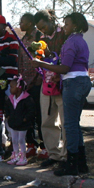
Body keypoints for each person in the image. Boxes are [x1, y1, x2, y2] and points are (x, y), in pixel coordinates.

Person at [33, 12, 92, 176]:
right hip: (81, 81)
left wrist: (41, 63)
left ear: (75, 26)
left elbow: (64, 68)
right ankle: (81, 163)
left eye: (67, 24)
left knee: (70, 125)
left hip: (73, 82)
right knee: (74, 124)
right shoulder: (79, 40)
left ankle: (72, 164)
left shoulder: (71, 41)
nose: (64, 26)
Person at [34, 10, 67, 167]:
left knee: (65, 120)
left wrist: (59, 73)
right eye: (40, 28)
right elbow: (42, 58)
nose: (43, 30)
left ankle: (66, 155)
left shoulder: (64, 33)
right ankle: (53, 154)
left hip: (63, 82)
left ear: (51, 20)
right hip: (47, 82)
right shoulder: (41, 39)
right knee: (47, 119)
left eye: (44, 26)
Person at [18, 13, 43, 158]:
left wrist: (37, 79)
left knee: (40, 115)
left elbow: (42, 58)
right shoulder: (22, 39)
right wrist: (21, 79)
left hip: (38, 83)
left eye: (22, 21)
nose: (20, 24)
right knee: (28, 115)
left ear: (29, 23)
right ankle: (31, 144)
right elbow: (21, 61)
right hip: (25, 84)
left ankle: (44, 145)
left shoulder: (39, 37)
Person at [5, 76, 37, 166]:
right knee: (14, 139)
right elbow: (7, 107)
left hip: (23, 124)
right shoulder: (10, 98)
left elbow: (31, 110)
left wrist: (25, 119)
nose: (10, 89)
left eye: (11, 87)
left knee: (21, 140)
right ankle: (15, 155)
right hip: (13, 123)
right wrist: (8, 115)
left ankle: (23, 156)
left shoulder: (27, 99)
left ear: (19, 88)